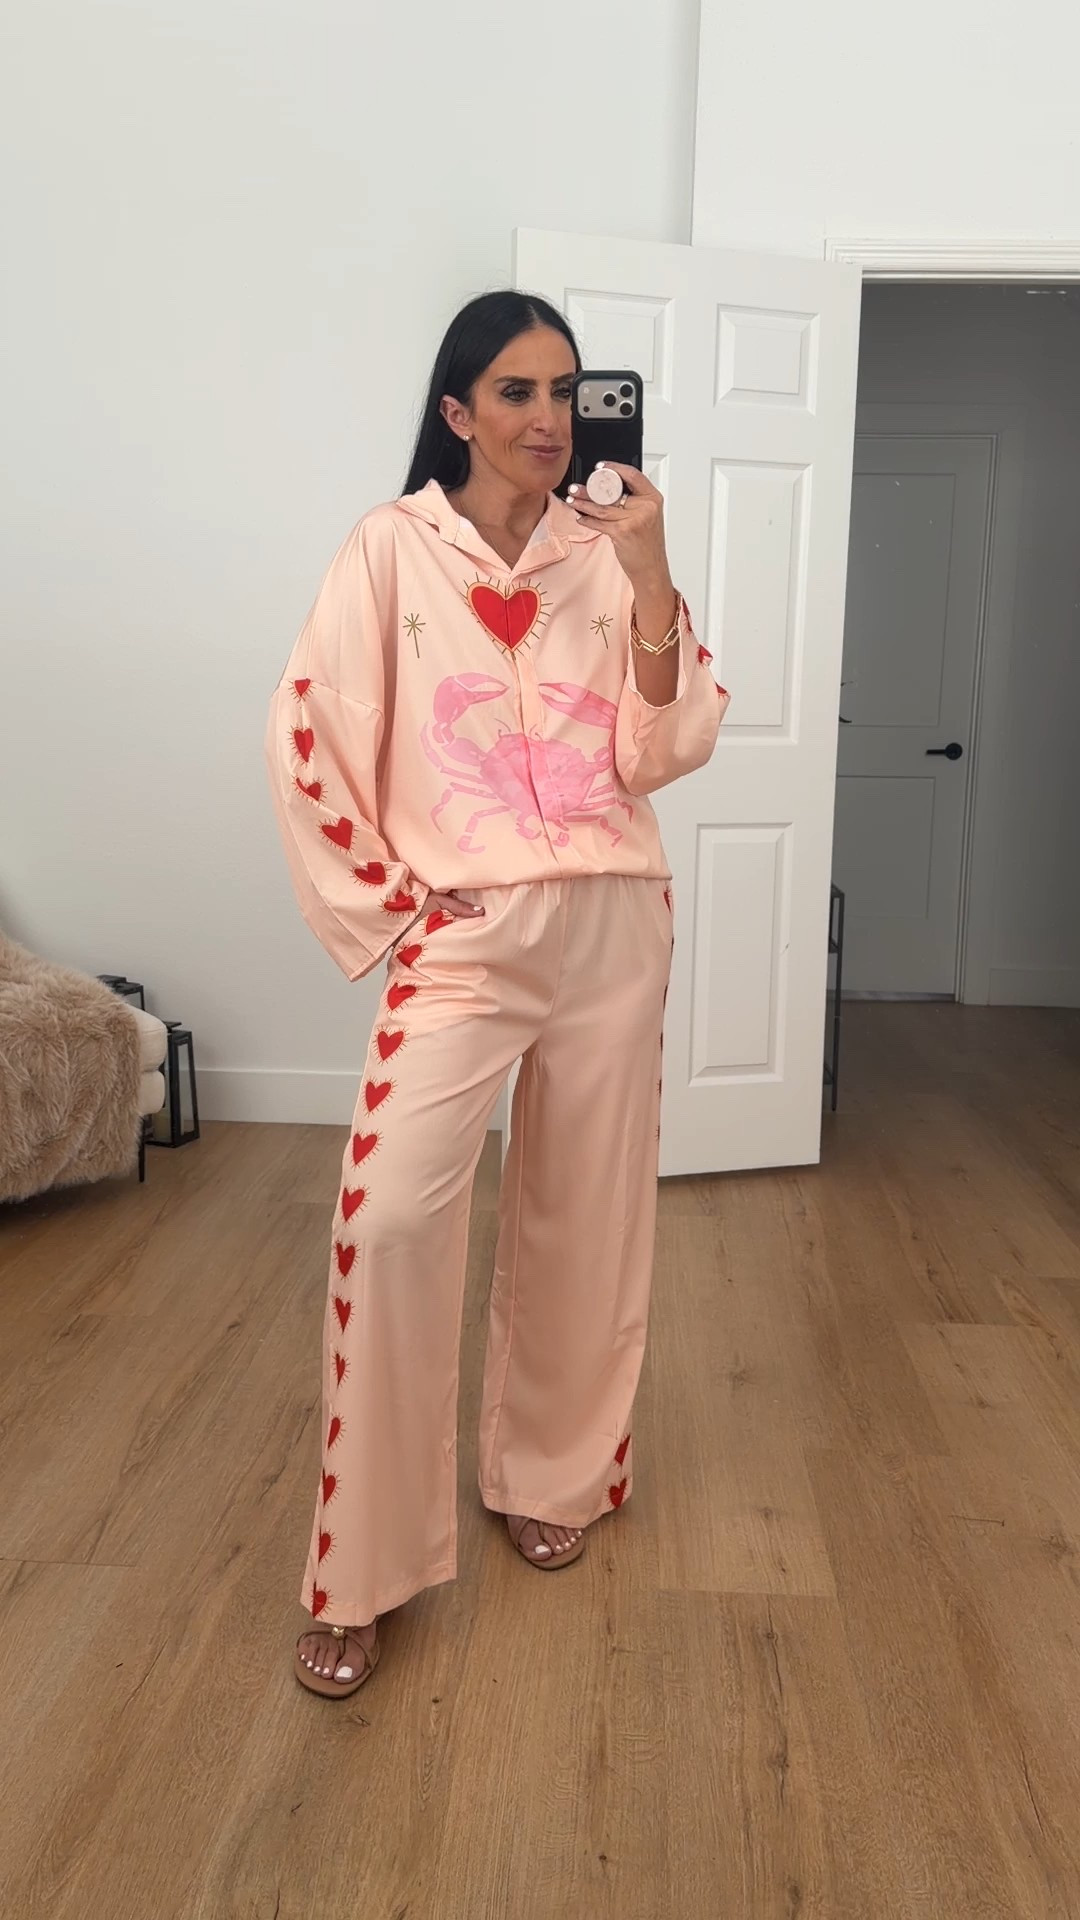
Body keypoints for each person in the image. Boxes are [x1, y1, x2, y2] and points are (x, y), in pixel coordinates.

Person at [266, 291, 729, 1699]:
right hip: (466, 932)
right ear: (457, 410)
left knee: (588, 1211)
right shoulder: (390, 550)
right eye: (517, 391)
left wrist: (651, 573)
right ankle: (361, 1570)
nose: (549, 418)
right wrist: (397, 899)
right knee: (393, 1216)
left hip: (612, 919)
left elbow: (664, 749)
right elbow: (309, 732)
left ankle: (555, 1474)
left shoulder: (607, 553)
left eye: (567, 392)